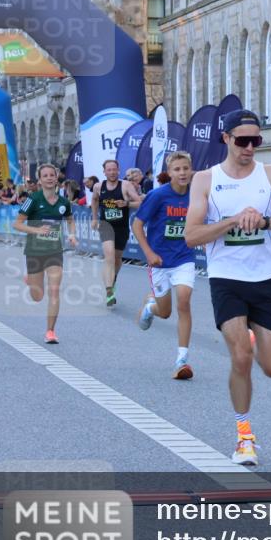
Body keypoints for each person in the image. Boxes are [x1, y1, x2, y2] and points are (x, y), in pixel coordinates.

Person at [185, 109, 271, 466]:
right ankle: (244, 437)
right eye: (243, 141)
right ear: (226, 139)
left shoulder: (270, 174)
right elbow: (192, 236)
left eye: (256, 140)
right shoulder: (206, 179)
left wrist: (265, 220)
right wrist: (230, 222)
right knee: (240, 358)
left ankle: (251, 335)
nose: (250, 147)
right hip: (227, 279)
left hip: (265, 280)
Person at [133, 151, 197, 380]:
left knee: (184, 301)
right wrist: (148, 252)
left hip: (184, 258)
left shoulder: (196, 195)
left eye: (185, 168)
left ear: (191, 170)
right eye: (177, 169)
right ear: (169, 173)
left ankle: (182, 359)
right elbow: (138, 225)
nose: (182, 173)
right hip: (159, 261)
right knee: (166, 312)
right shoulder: (158, 195)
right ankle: (151, 307)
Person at [13, 163, 77, 344]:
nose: (49, 178)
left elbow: (70, 220)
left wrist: (72, 234)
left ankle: (50, 331)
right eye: (45, 175)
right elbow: (16, 224)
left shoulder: (64, 202)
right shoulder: (32, 199)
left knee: (54, 290)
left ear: (57, 178)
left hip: (54, 250)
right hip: (34, 250)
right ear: (40, 180)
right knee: (37, 296)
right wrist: (37, 230)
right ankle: (30, 280)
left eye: (52, 175)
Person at [92, 159, 142, 306]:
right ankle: (109, 291)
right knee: (109, 256)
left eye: (114, 169)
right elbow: (94, 200)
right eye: (109, 170)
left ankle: (112, 280)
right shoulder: (98, 186)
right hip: (106, 225)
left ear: (118, 170)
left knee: (117, 258)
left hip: (121, 227)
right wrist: (94, 218)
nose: (112, 172)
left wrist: (126, 203)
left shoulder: (125, 185)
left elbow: (139, 202)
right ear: (104, 172)